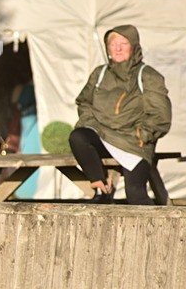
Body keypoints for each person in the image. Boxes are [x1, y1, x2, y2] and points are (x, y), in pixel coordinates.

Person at [68, 25, 172, 204]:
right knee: (78, 137)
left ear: (134, 46)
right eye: (113, 44)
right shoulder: (99, 74)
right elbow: (84, 102)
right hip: (102, 135)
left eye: (123, 43)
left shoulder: (147, 76)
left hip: (133, 142)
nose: (117, 48)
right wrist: (90, 122)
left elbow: (160, 114)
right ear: (107, 49)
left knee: (135, 195)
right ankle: (100, 188)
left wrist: (142, 135)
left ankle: (161, 230)